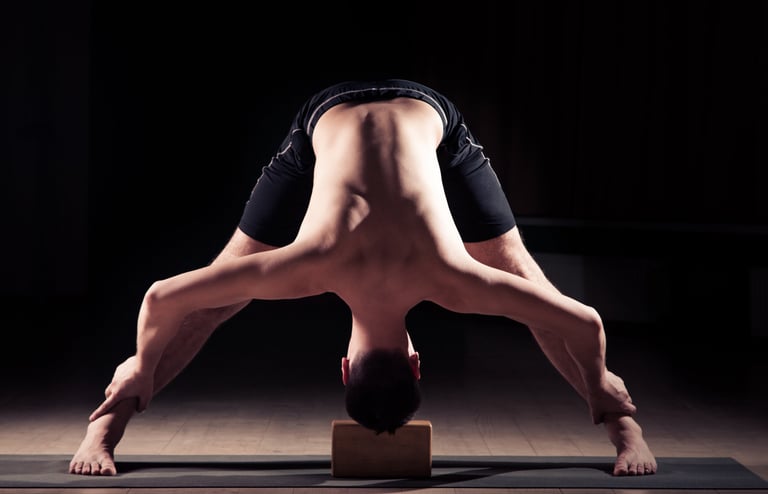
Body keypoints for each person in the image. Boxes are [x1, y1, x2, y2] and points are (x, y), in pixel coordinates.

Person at [69, 79, 657, 477]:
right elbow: (161, 298)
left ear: (415, 362)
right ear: (344, 367)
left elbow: (584, 322)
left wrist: (141, 364)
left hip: (396, 114)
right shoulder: (315, 270)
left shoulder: (450, 280)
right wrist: (599, 379)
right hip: (374, 115)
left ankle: (106, 429)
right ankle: (622, 427)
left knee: (222, 292)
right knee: (529, 283)